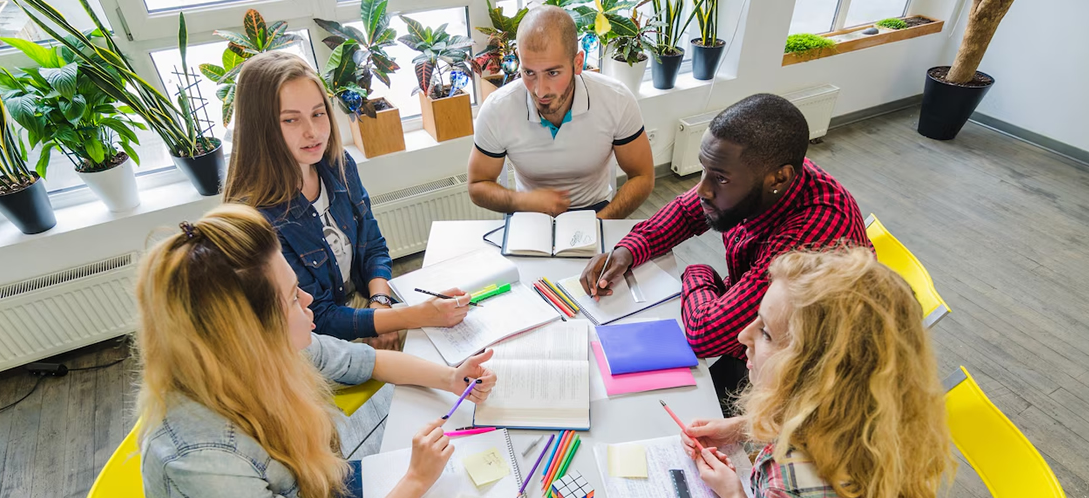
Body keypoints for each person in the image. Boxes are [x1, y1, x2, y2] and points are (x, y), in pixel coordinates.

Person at [135, 204, 497, 498]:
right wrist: (413, 481)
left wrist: (449, 376)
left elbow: (364, 360)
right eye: (292, 297)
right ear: (247, 332)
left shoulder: (255, 353)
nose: (309, 300)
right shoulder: (203, 457)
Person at [681, 247, 952, 498]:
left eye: (765, 333)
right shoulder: (889, 414)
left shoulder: (793, 485)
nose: (743, 336)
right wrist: (741, 427)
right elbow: (822, 418)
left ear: (814, 372)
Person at [580, 94, 871, 403]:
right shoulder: (766, 173)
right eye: (704, 170)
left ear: (779, 178)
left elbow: (706, 334)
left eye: (719, 178)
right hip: (761, 336)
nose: (703, 189)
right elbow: (686, 211)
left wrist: (698, 273)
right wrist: (628, 249)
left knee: (678, 402)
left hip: (809, 378)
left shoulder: (807, 242)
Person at [225, 52, 467, 349]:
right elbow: (320, 317)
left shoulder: (338, 164)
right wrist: (406, 317)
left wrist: (381, 304)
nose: (312, 132)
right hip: (315, 343)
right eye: (290, 120)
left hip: (363, 307)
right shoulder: (255, 218)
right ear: (260, 129)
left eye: (318, 113)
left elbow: (373, 245)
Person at [467, 5, 654, 218]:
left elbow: (642, 176)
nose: (540, 90)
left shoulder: (616, 99)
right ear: (519, 59)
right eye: (529, 72)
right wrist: (524, 201)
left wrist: (598, 224)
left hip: (597, 210)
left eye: (553, 72)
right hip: (529, 212)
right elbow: (477, 185)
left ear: (578, 63)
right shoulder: (497, 108)